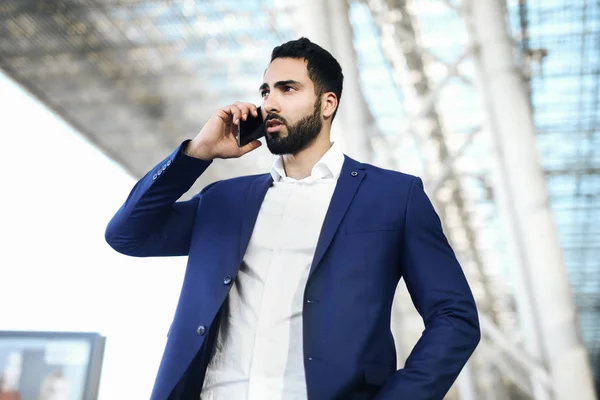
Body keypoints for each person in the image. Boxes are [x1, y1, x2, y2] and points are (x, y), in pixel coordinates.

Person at [106, 37, 480, 400]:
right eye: (266, 91)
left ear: (327, 103)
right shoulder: (224, 201)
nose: (270, 103)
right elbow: (128, 235)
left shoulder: (394, 197)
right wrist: (196, 153)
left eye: (287, 89)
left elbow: (454, 317)